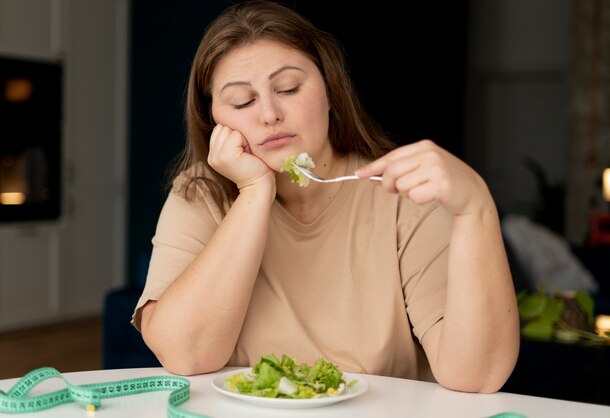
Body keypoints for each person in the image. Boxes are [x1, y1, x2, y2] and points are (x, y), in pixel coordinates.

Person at [131, 0, 519, 393]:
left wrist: (476, 209)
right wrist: (254, 192)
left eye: (288, 88)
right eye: (242, 101)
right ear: (215, 121)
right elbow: (185, 354)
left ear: (330, 91)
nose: (269, 114)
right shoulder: (200, 194)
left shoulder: (401, 194)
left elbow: (478, 375)